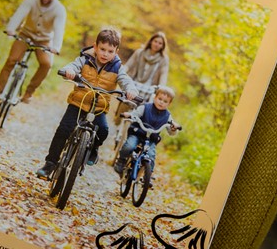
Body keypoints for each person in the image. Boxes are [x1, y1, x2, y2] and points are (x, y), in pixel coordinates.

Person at [36, 28, 137, 179]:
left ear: (116, 52)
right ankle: (50, 163)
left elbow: (125, 80)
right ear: (95, 46)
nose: (105, 54)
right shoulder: (85, 59)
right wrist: (69, 71)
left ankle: (93, 148)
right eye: (102, 49)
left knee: (103, 130)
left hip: (98, 108)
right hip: (78, 103)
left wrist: (130, 89)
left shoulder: (117, 68)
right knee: (63, 130)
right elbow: (72, 66)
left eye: (110, 51)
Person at [0, 0, 66, 107]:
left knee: (46, 64)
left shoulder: (59, 9)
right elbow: (19, 14)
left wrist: (56, 47)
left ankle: (28, 93)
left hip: (45, 40)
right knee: (11, 60)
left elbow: (59, 29)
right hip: (26, 34)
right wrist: (11, 29)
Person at [113, 86, 179, 175]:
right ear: (155, 97)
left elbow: (171, 130)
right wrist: (129, 115)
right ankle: (121, 160)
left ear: (169, 104)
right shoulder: (145, 107)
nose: (161, 102)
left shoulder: (167, 116)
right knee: (129, 146)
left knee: (151, 155)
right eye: (160, 99)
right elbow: (135, 114)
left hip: (151, 139)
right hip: (137, 133)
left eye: (165, 101)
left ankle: (148, 175)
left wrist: (173, 128)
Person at [114, 31, 170, 122]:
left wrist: (161, 88)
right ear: (151, 41)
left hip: (149, 89)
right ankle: (118, 120)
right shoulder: (139, 52)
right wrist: (119, 72)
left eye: (160, 43)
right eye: (155, 41)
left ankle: (137, 125)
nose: (157, 44)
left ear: (162, 46)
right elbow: (128, 65)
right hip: (134, 83)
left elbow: (164, 75)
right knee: (126, 98)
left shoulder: (163, 59)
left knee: (147, 107)